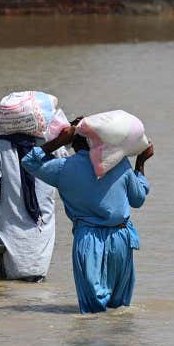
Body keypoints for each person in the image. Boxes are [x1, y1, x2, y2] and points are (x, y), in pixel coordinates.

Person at [22, 121, 154, 313]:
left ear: (73, 142)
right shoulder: (120, 163)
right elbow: (138, 199)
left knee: (92, 312)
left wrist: (58, 142)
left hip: (88, 241)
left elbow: (29, 162)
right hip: (121, 239)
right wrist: (140, 163)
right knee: (119, 309)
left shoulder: (63, 168)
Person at [0, 127, 59, 281]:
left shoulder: (1, 144)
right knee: (38, 290)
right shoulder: (53, 140)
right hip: (42, 231)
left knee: (7, 290)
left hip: (9, 232)